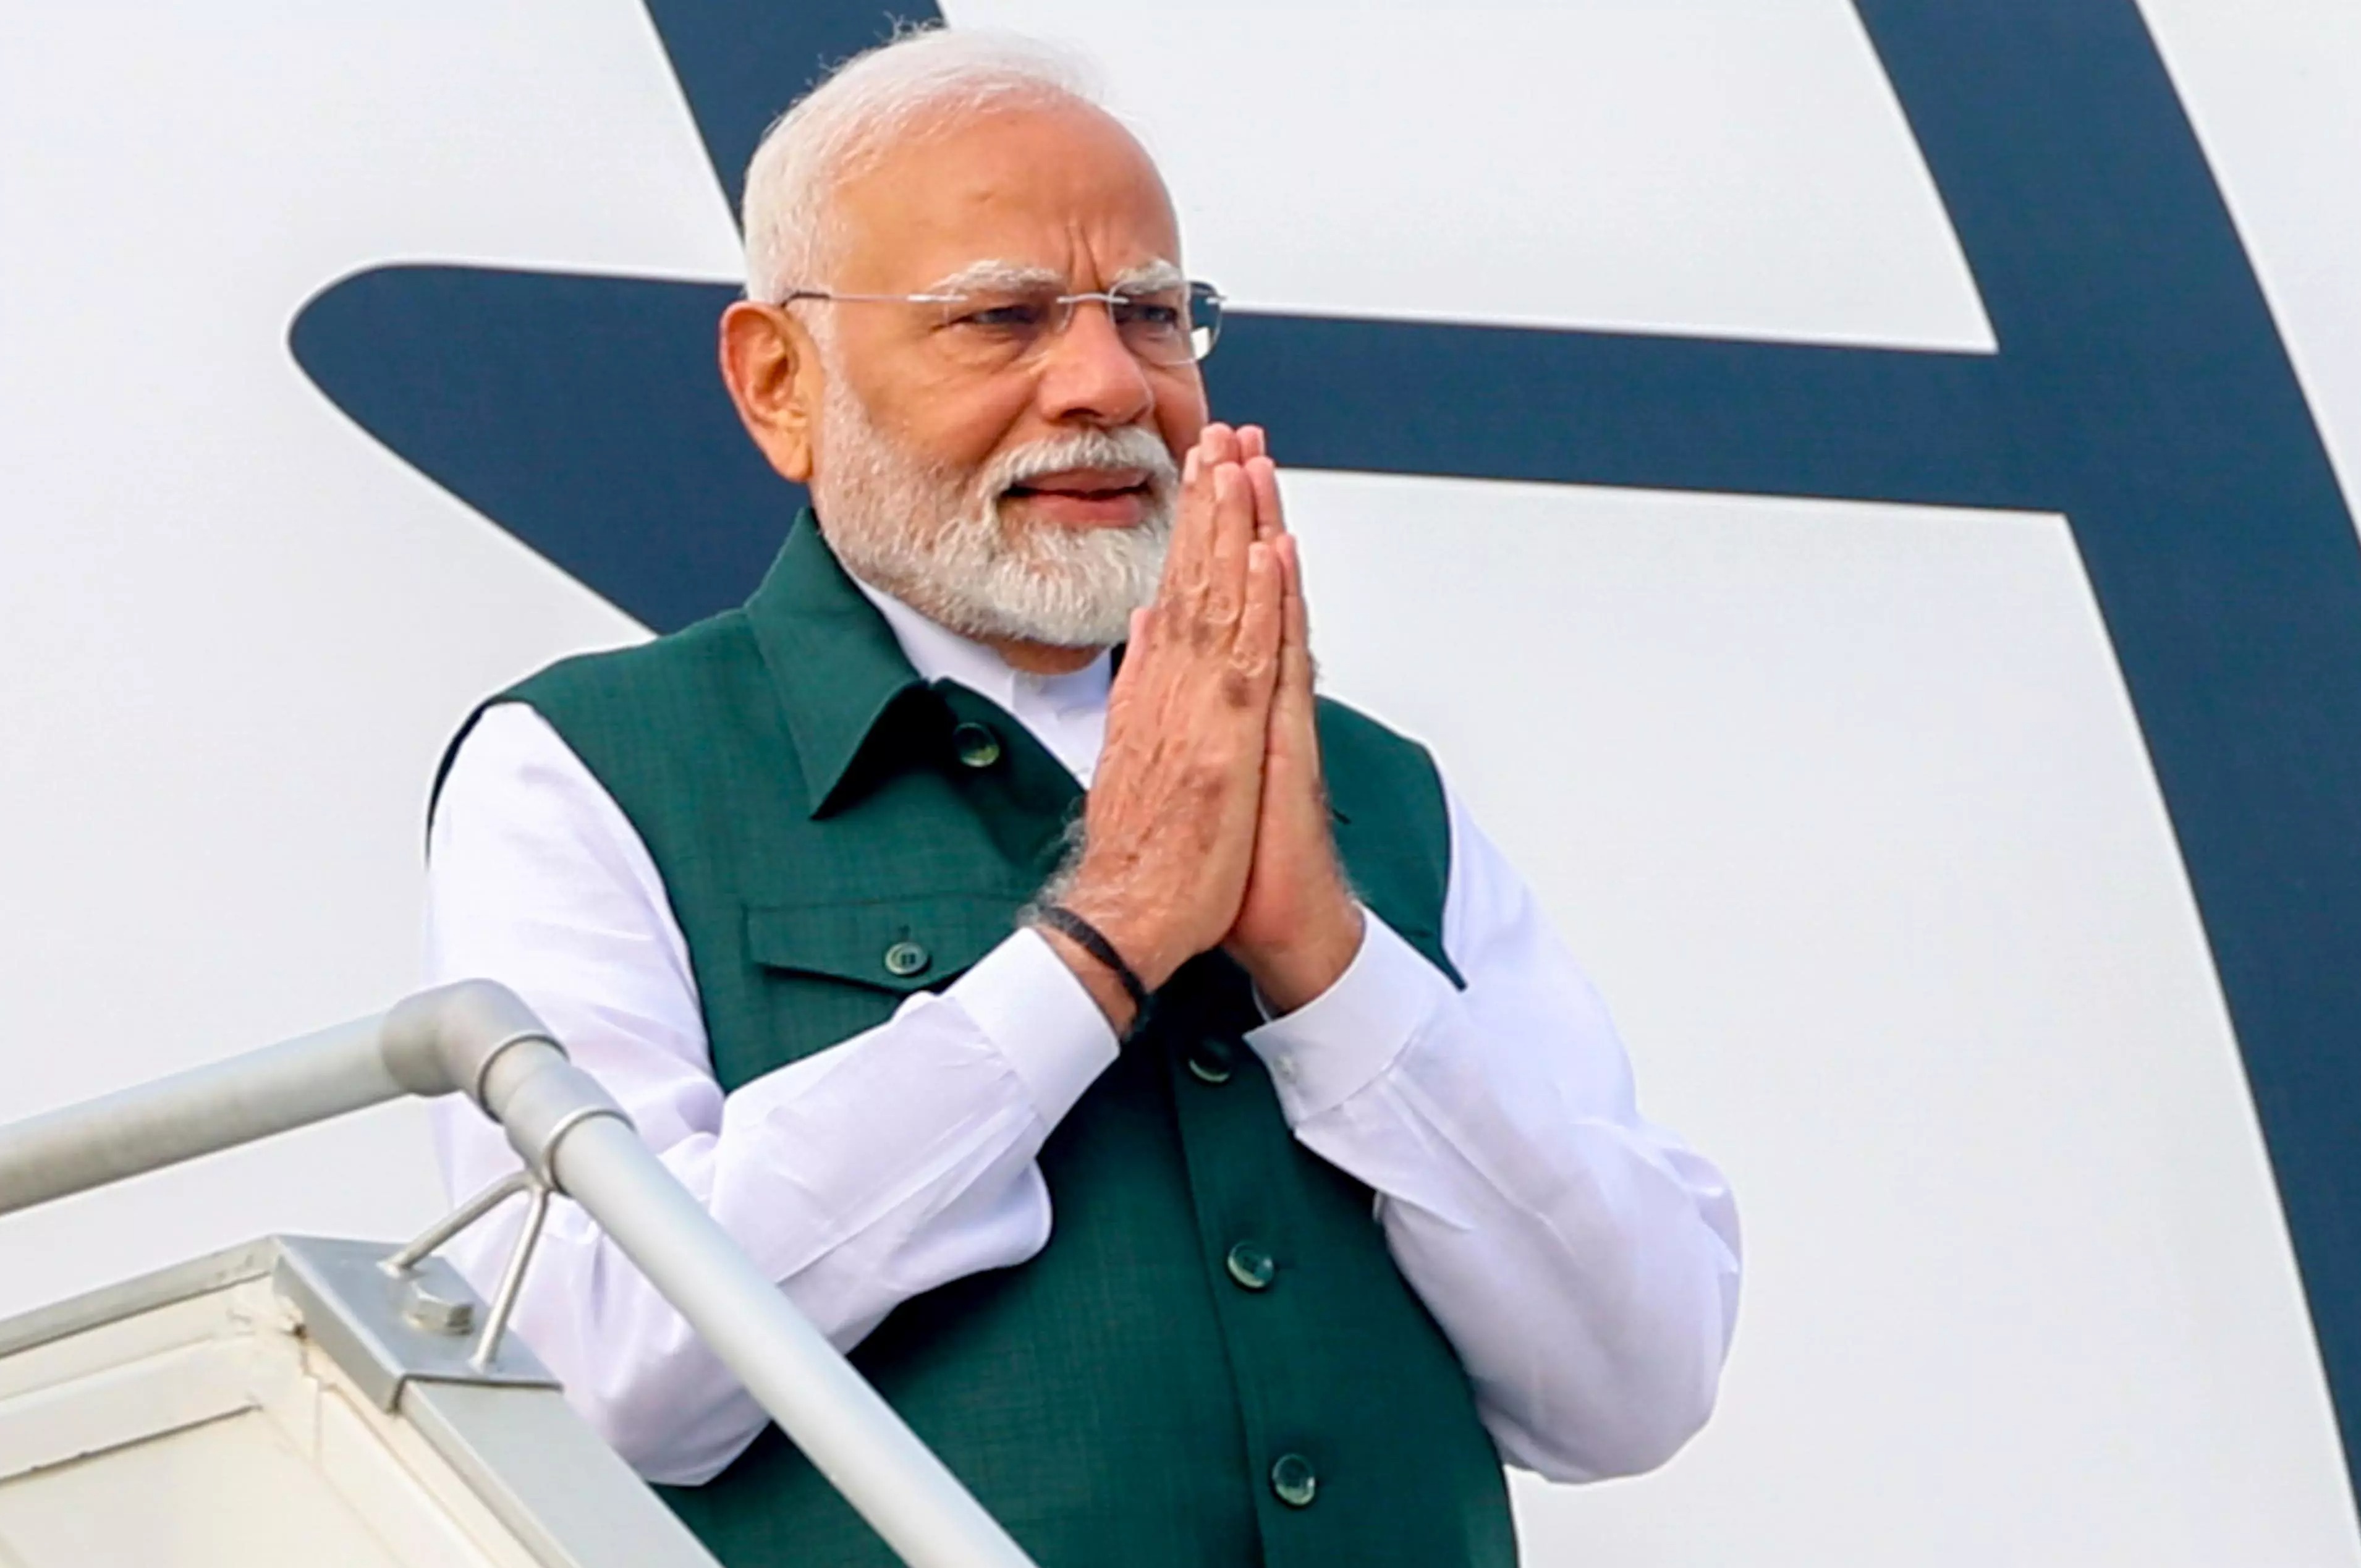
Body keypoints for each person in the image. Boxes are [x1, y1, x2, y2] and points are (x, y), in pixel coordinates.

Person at [426, 27, 1740, 1567]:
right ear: (781, 383)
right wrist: (1097, 947)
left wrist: (1325, 963)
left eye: (1154, 314)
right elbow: (612, 1363)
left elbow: (1640, 1388)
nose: (1109, 383)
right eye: (1003, 317)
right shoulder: (593, 766)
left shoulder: (1374, 793)